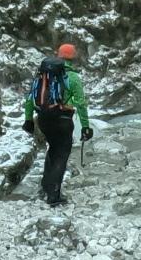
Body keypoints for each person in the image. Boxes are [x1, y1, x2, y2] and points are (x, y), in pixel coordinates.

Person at [23, 43, 93, 207]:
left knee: (53, 148)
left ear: (58, 55)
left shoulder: (43, 74)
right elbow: (81, 104)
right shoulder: (73, 78)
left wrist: (28, 120)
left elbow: (30, 98)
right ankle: (54, 195)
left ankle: (46, 186)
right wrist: (85, 126)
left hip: (43, 119)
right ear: (73, 57)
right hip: (63, 120)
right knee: (61, 154)